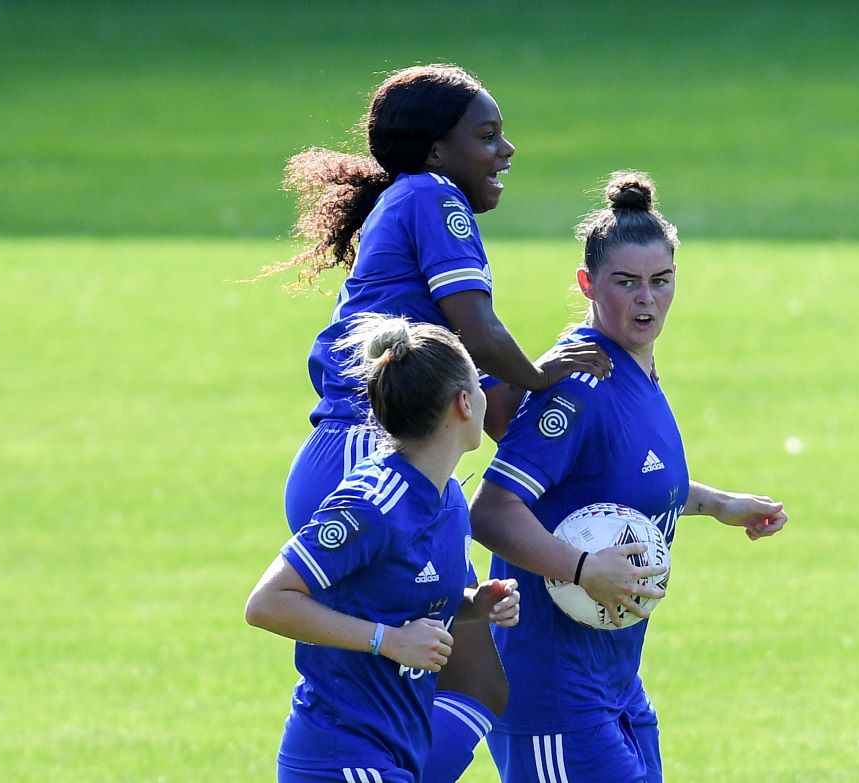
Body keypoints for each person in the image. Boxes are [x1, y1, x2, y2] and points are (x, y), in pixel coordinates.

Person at [265, 64, 641, 782]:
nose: (506, 151)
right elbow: (480, 328)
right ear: (439, 150)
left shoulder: (410, 204)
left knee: (460, 683)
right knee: (397, 683)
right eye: (488, 135)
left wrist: (580, 461)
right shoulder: (437, 199)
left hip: (381, 458)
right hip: (369, 454)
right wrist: (549, 372)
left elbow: (490, 396)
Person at [469, 171, 790, 783]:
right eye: (626, 283)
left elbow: (612, 483)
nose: (646, 299)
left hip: (614, 680)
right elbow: (491, 509)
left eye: (660, 282)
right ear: (588, 284)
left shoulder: (636, 372)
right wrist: (585, 570)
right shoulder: (580, 383)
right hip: (552, 692)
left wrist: (719, 504)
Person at [246, 316, 522, 783]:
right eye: (480, 384)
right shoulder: (372, 503)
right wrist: (388, 642)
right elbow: (266, 603)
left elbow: (398, 601)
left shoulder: (449, 497)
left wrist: (477, 605)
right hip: (339, 757)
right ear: (463, 403)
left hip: (393, 753)